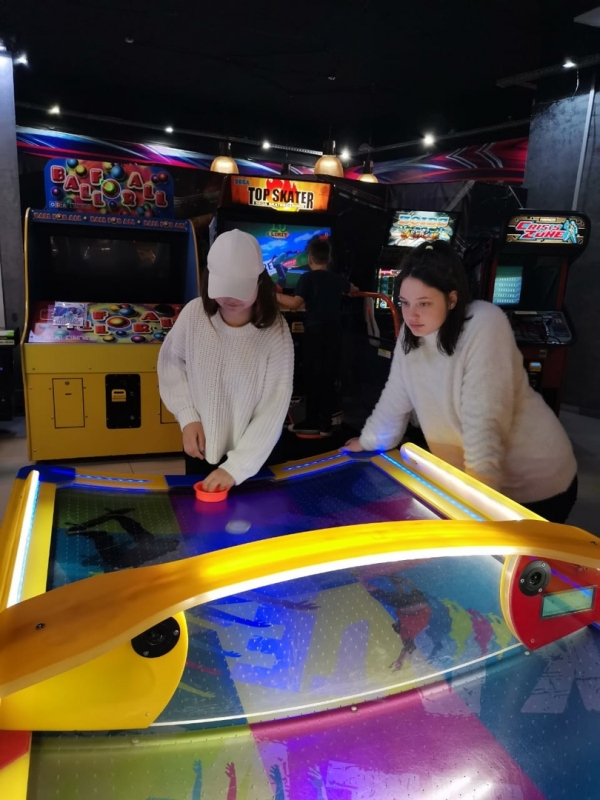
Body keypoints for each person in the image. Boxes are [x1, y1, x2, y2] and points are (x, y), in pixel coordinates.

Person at [343, 240, 578, 523]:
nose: (411, 314)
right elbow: (395, 397)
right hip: (471, 483)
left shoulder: (484, 323)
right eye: (405, 303)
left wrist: (477, 503)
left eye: (424, 303)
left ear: (452, 299)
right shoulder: (410, 333)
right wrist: (370, 440)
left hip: (535, 484)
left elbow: (484, 424)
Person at [158, 229, 294, 491]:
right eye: (224, 287)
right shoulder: (194, 314)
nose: (231, 298)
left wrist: (236, 467)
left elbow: (274, 406)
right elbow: (171, 364)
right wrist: (188, 417)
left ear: (260, 282)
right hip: (201, 445)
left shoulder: (275, 331)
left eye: (240, 288)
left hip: (255, 455)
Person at [277, 235, 358, 437]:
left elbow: (295, 303)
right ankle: (325, 424)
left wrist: (272, 295)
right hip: (335, 333)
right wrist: (348, 291)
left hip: (314, 333)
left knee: (313, 376)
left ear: (310, 259)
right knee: (329, 377)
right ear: (328, 259)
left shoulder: (307, 278)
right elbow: (353, 290)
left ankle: (311, 421)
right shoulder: (336, 279)